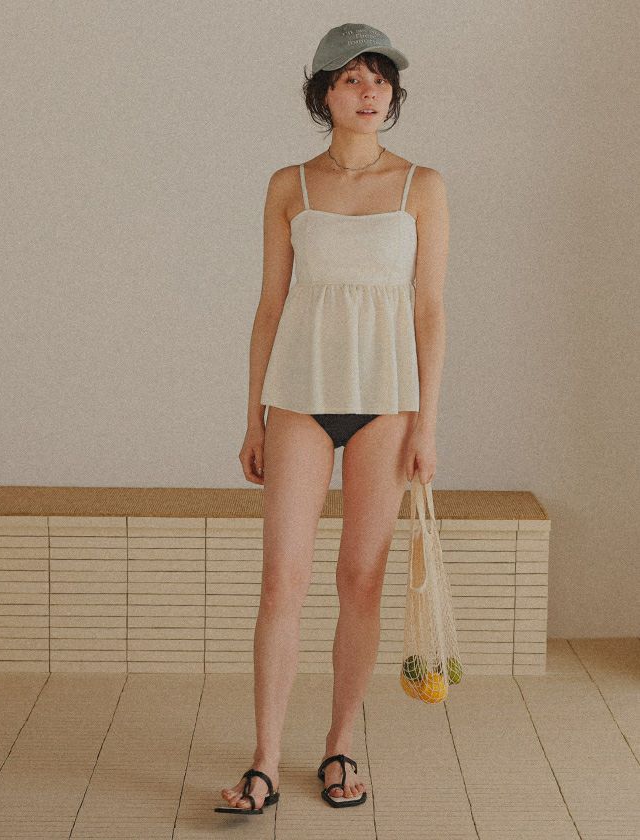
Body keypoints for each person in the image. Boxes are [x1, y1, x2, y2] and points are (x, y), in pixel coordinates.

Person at [216, 22, 449, 814]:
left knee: (361, 578)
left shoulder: (422, 186)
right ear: (324, 93)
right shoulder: (291, 185)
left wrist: (427, 425)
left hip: (388, 401)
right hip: (299, 395)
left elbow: (430, 312)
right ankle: (264, 761)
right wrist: (253, 417)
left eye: (379, 78)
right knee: (282, 579)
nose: (369, 91)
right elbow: (269, 305)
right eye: (352, 79)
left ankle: (340, 743)